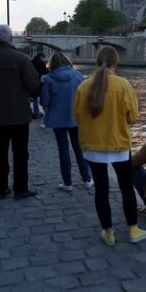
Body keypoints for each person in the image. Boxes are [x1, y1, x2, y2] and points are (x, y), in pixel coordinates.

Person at [74, 45, 146, 246]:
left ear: (98, 62)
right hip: (118, 146)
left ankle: (108, 233)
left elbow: (77, 116)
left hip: (92, 146)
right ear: (116, 63)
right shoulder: (123, 85)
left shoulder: (83, 86)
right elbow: (133, 117)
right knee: (126, 188)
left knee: (101, 190)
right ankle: (133, 230)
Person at [0, 25, 40, 199]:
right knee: (20, 153)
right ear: (11, 38)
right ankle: (20, 188)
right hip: (19, 115)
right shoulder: (20, 59)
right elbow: (33, 86)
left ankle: (2, 188)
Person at [40, 51, 93, 192]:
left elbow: (44, 101)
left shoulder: (48, 79)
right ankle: (87, 179)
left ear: (52, 64)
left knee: (63, 150)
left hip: (58, 120)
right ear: (67, 61)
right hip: (76, 119)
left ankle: (67, 182)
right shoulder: (79, 77)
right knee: (79, 148)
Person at [30, 52, 47, 119]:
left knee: (34, 99)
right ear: (41, 57)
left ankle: (36, 113)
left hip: (33, 82)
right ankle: (46, 113)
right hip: (41, 83)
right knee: (44, 98)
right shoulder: (42, 63)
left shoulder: (31, 62)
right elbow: (44, 73)